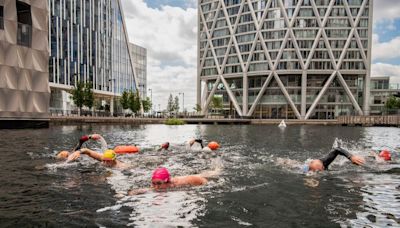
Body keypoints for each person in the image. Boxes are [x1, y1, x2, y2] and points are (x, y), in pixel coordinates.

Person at [128, 167, 220, 195]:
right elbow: (142, 190)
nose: (155, 187)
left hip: (200, 178)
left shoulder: (183, 182)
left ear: (167, 182)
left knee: (216, 172)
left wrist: (207, 186)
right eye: (153, 183)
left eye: (159, 184)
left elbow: (202, 180)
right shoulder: (156, 185)